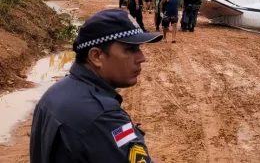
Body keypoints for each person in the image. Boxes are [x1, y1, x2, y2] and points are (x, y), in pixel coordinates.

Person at [29, 9, 163, 163]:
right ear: (96, 57)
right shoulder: (103, 116)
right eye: (130, 49)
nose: (141, 58)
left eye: (139, 48)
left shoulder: (54, 93)